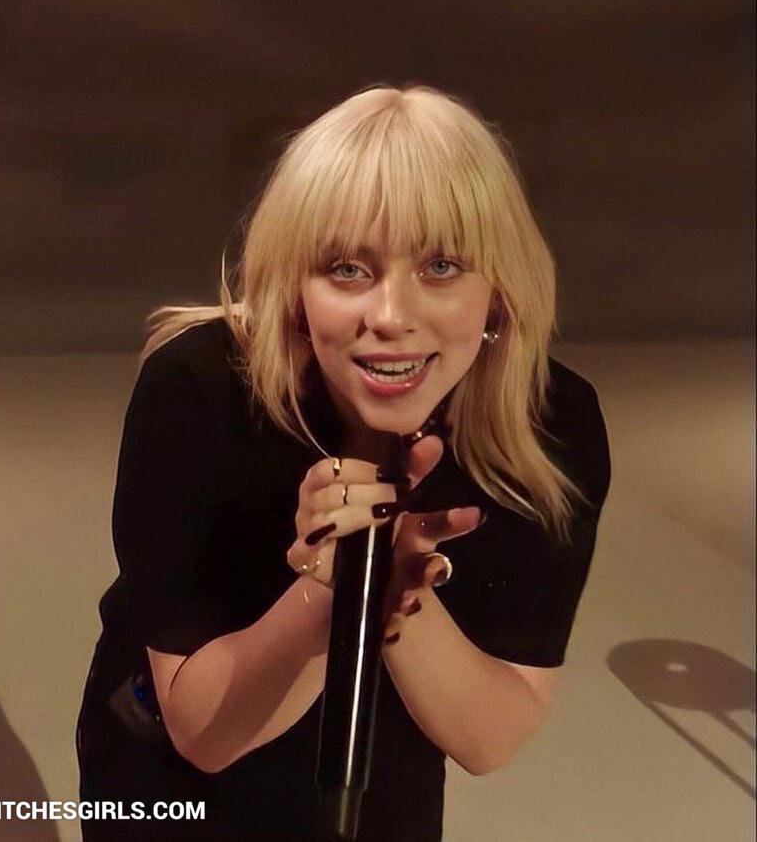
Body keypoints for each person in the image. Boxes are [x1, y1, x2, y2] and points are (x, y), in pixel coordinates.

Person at [75, 84, 611, 841]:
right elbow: (203, 734)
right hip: (176, 790)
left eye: (441, 266)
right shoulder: (199, 391)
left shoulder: (546, 423)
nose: (390, 317)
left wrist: (396, 594)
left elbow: (488, 737)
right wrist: (330, 585)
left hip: (381, 768)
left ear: (498, 292)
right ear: (295, 286)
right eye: (348, 270)